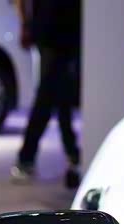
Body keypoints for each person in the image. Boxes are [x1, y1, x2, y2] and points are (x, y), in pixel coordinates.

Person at [11, 0, 82, 189]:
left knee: (59, 97)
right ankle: (30, 156)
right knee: (49, 96)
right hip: (55, 30)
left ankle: (70, 153)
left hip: (59, 29)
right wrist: (26, 25)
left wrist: (26, 25)